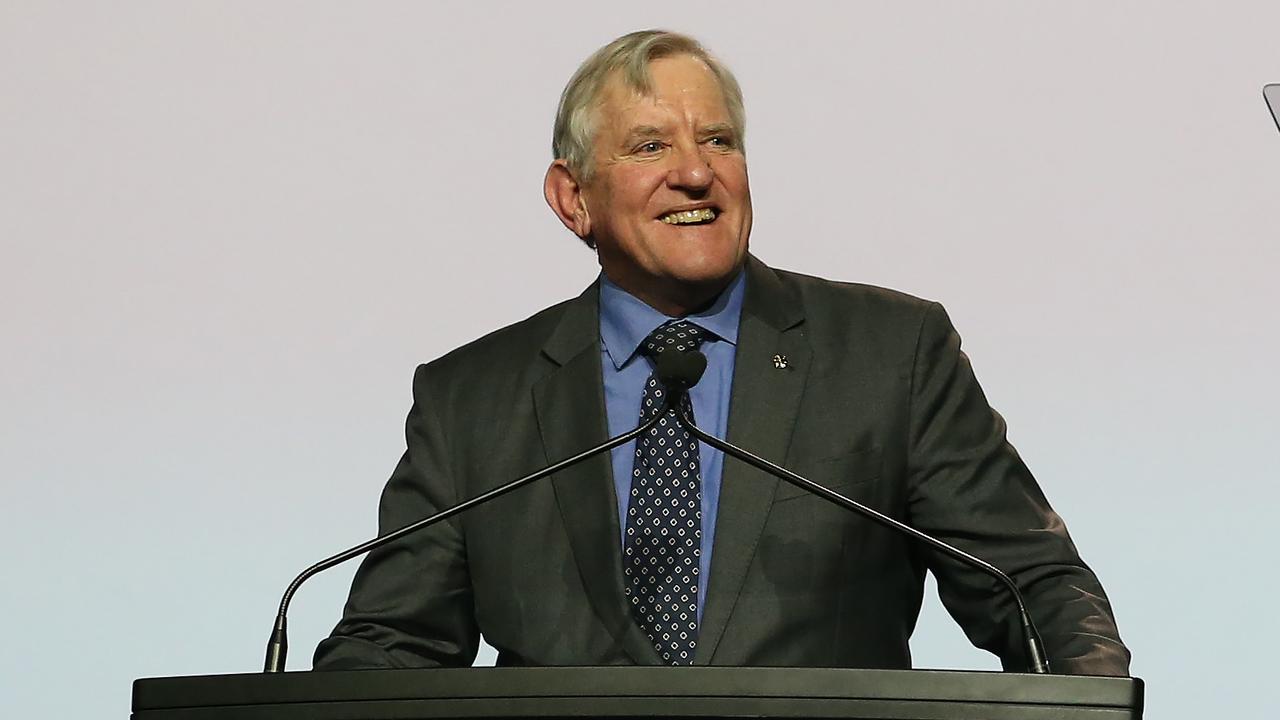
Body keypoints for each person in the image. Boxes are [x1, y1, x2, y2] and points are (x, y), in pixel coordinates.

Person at [313, 30, 1129, 675]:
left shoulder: (890, 357)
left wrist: (1089, 697)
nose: (697, 173)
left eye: (719, 140)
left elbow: (1032, 589)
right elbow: (391, 648)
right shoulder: (471, 400)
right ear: (572, 199)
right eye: (649, 147)